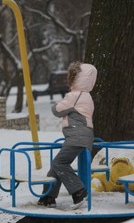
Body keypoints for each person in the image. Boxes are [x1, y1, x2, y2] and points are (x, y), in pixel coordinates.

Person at [37, 61, 97, 209]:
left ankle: (79, 191)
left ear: (75, 78)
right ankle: (48, 197)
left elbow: (57, 110)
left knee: (59, 163)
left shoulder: (74, 96)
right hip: (83, 136)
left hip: (77, 136)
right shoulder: (87, 96)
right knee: (56, 166)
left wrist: (56, 104)